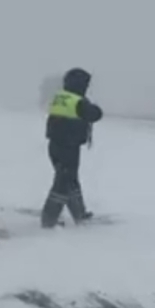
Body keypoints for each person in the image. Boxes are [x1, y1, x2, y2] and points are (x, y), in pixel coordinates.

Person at [41, 67, 104, 228]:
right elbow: (95, 114)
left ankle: (79, 214)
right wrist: (94, 107)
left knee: (70, 180)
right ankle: (49, 218)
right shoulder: (78, 101)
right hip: (68, 147)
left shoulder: (60, 97)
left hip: (55, 145)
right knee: (63, 182)